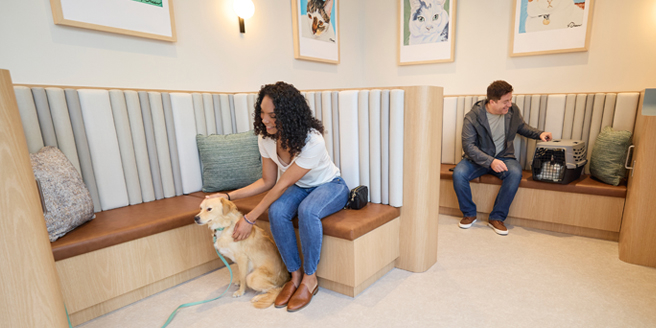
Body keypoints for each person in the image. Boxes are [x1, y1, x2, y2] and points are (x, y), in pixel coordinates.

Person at [207, 81, 349, 312]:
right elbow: (267, 181)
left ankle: (310, 280)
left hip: (330, 186)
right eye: (261, 113)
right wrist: (227, 195)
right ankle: (294, 276)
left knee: (307, 211)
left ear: (289, 115)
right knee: (277, 211)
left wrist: (250, 218)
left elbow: (282, 184)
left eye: (272, 115)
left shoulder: (312, 140)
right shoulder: (266, 139)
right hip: (301, 186)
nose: (264, 119)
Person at [453, 80, 552, 235]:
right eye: (505, 101)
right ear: (492, 102)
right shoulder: (472, 117)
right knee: (458, 174)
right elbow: (469, 147)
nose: (510, 104)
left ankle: (496, 218)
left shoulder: (512, 112)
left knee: (515, 173)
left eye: (510, 100)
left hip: (504, 157)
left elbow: (521, 127)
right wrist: (490, 161)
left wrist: (539, 134)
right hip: (478, 160)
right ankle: (469, 214)